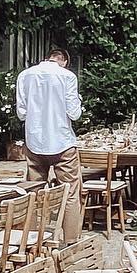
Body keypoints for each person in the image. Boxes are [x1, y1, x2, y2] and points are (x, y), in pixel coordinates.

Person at [15, 45, 83, 243]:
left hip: (35, 140)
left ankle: (34, 240)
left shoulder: (25, 75)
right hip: (62, 141)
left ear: (48, 58)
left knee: (34, 192)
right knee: (69, 192)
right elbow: (75, 113)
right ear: (63, 61)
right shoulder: (67, 76)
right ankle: (71, 240)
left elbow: (22, 113)